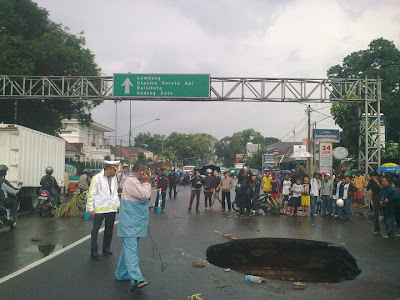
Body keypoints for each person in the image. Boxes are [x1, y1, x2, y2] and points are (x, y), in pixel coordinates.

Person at [115, 161, 151, 290]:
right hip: (131, 223)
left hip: (134, 222)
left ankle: (121, 274)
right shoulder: (132, 181)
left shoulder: (134, 181)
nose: (146, 174)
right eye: (145, 171)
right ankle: (136, 279)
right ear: (141, 171)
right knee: (131, 250)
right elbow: (145, 194)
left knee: (128, 250)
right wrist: (147, 182)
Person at [87, 161, 120, 259]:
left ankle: (106, 248)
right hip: (100, 208)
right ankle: (94, 251)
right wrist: (90, 208)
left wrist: (117, 204)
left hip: (111, 208)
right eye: (114, 170)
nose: (116, 172)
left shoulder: (114, 178)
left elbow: (115, 192)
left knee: (109, 229)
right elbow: (91, 193)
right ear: (109, 168)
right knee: (95, 230)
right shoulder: (97, 178)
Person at [379, 175, 399, 240]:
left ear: (388, 181)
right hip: (384, 207)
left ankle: (390, 234)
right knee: (386, 220)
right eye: (382, 181)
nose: (382, 182)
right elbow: (380, 195)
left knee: (389, 221)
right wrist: (381, 200)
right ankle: (388, 233)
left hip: (391, 207)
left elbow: (396, 196)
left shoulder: (392, 189)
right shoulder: (383, 188)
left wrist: (389, 199)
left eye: (384, 181)